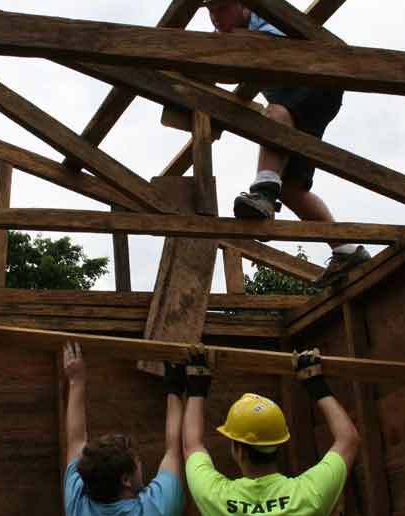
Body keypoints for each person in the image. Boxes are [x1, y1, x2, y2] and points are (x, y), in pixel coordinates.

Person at [200, 0, 371, 288]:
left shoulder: (267, 16)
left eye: (221, 9)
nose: (215, 19)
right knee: (291, 188)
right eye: (210, 12)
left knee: (274, 115)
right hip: (304, 107)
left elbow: (276, 48)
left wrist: (231, 47)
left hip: (318, 82)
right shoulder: (230, 35)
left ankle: (264, 193)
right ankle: (346, 250)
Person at [182, 345, 361, 515]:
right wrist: (316, 384)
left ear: (240, 451)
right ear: (277, 443)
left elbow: (192, 445)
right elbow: (348, 439)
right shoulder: (309, 494)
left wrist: (198, 385)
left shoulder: (215, 497)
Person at [63, 341, 187, 515]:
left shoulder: (77, 505)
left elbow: (76, 442)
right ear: (126, 479)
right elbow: (174, 450)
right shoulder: (154, 508)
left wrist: (76, 381)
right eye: (137, 462)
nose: (140, 464)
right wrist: (175, 389)